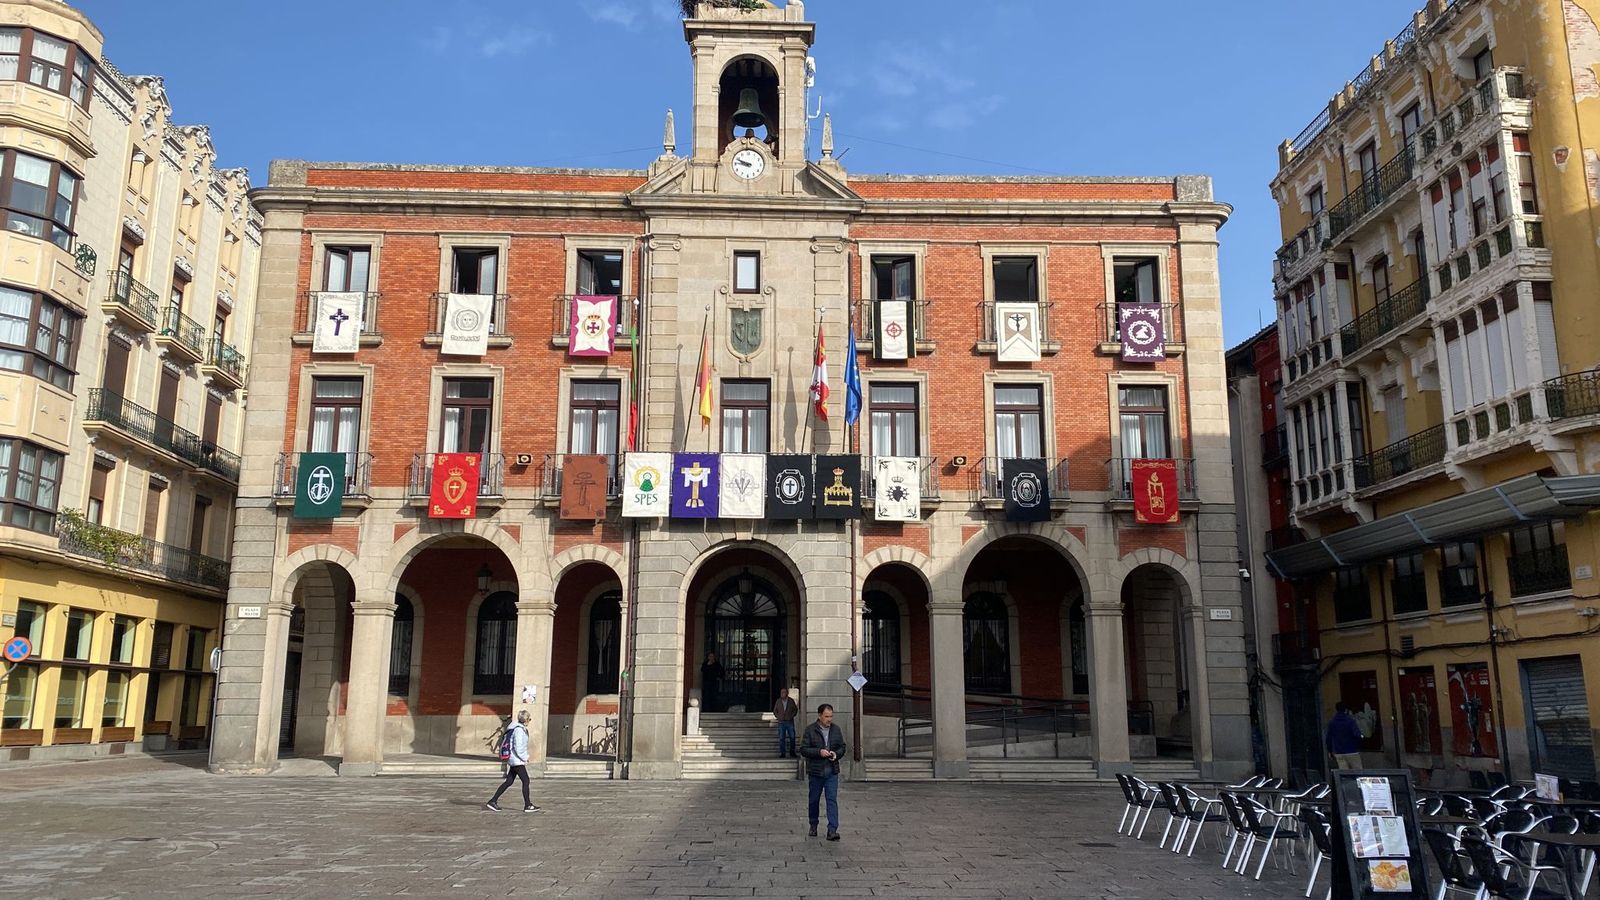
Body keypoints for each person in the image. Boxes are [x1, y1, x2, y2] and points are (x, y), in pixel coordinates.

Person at [799, 702, 846, 841]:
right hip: (816, 771)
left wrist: (836, 754)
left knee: (831, 800)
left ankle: (832, 830)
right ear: (819, 716)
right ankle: (813, 824)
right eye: (826, 716)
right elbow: (804, 749)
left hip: (832, 770)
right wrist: (819, 752)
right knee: (814, 800)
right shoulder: (810, 730)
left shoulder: (836, 730)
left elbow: (842, 747)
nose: (829, 719)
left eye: (831, 716)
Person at [486, 709, 539, 812]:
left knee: (509, 781)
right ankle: (527, 805)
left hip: (514, 759)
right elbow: (518, 747)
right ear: (526, 720)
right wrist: (525, 758)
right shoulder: (519, 730)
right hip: (516, 760)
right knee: (526, 780)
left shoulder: (517, 728)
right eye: (529, 719)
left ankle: (493, 801)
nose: (529, 721)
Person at [1325, 701, 1364, 770]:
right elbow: (1357, 735)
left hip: (1339, 752)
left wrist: (1330, 751)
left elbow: (1328, 739)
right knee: (1358, 773)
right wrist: (1358, 744)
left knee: (1344, 775)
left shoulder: (1332, 722)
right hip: (1352, 751)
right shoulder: (1350, 721)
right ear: (1346, 710)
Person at [773, 687, 798, 758]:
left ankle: (792, 752)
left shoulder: (791, 701)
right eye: (781, 692)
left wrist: (791, 716)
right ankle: (782, 753)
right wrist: (778, 717)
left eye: (784, 692)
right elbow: (775, 710)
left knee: (792, 737)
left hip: (789, 721)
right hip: (781, 722)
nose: (782, 694)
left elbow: (795, 710)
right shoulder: (778, 701)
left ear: (787, 693)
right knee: (781, 737)